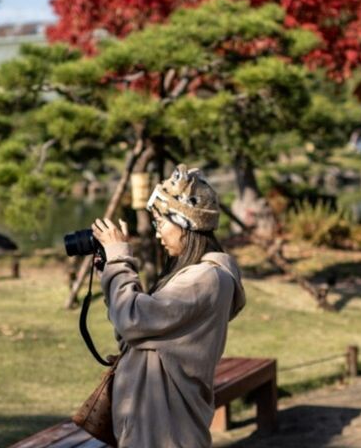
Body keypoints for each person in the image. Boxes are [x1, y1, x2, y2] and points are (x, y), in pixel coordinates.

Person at [91, 164, 246, 448]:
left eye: (160, 223)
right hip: (156, 425)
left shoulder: (204, 279)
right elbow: (131, 331)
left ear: (186, 223)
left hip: (166, 431)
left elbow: (132, 321)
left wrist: (118, 258)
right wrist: (112, 276)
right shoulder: (197, 276)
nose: (157, 234)